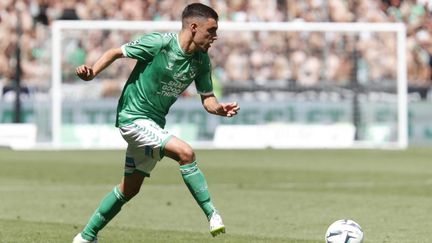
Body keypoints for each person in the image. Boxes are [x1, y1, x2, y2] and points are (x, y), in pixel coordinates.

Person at [72, 3, 240, 243]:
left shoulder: (202, 61)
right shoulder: (160, 44)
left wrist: (219, 109)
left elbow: (208, 99)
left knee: (129, 189)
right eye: (211, 30)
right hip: (132, 117)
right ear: (193, 27)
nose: (215, 36)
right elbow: (115, 52)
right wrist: (92, 73)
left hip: (153, 125)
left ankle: (86, 236)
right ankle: (212, 213)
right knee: (186, 153)